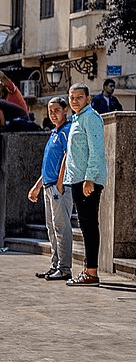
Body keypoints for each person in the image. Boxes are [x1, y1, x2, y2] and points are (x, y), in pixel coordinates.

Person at [60, 83, 108, 286]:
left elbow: (96, 150)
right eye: (71, 98)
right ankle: (89, 270)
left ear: (88, 99)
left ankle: (91, 273)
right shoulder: (77, 118)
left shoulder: (90, 117)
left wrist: (89, 179)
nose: (74, 101)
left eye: (79, 97)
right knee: (85, 225)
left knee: (89, 225)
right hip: (78, 179)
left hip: (87, 180)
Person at [27, 97, 73, 282]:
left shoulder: (67, 131)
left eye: (57, 110)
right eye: (50, 111)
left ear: (65, 110)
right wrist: (37, 186)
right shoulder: (54, 132)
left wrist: (60, 184)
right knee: (52, 229)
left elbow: (68, 157)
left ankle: (64, 268)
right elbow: (49, 164)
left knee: (61, 228)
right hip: (48, 186)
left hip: (58, 187)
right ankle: (55, 265)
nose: (53, 114)